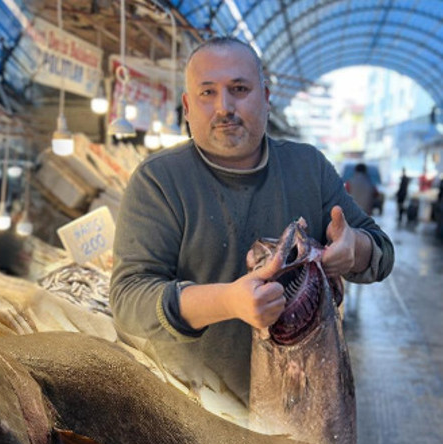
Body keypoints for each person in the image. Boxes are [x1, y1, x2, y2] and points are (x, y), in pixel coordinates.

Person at [109, 36, 394, 405]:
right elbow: (129, 298)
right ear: (187, 105)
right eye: (207, 93)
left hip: (304, 398)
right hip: (194, 408)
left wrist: (354, 248)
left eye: (239, 89)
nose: (223, 107)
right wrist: (227, 301)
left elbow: (383, 252)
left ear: (266, 95)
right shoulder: (158, 180)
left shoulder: (308, 167)